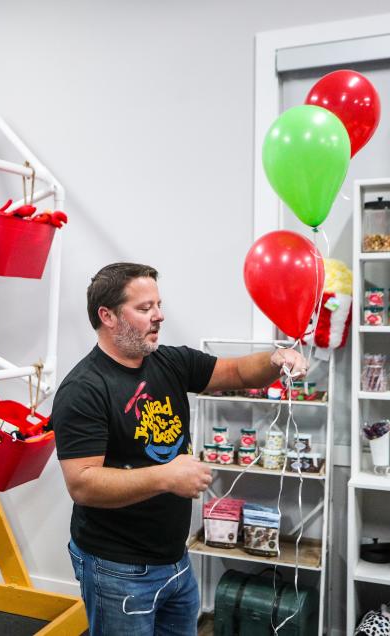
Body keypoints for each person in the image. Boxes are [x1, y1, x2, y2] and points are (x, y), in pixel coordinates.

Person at [51, 262, 307, 635]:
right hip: (117, 567)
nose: (159, 316)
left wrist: (274, 359)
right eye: (144, 308)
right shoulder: (84, 389)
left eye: (158, 305)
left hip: (175, 559)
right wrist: (166, 476)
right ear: (106, 315)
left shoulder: (169, 361)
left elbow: (236, 372)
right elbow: (83, 484)